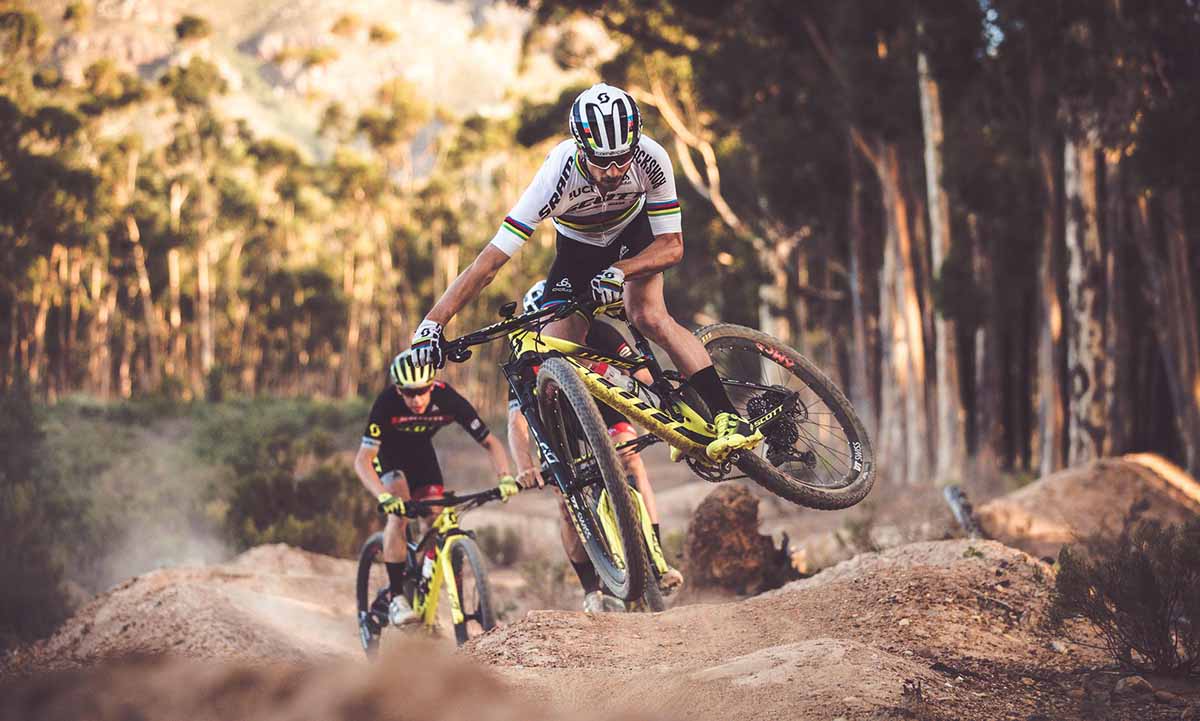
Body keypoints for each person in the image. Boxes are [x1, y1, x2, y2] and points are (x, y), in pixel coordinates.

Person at [407, 82, 762, 464]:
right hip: (577, 251)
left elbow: (672, 246)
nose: (612, 171)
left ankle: (727, 416)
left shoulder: (651, 158)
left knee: (647, 315)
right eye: (601, 160)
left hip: (635, 239)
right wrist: (432, 323)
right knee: (555, 344)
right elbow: (489, 262)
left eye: (621, 159)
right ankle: (612, 442)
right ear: (580, 148)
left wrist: (619, 272)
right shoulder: (554, 177)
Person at [507, 281, 683, 612]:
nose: (551, 330)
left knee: (631, 461)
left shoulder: (599, 333)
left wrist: (666, 424)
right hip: (560, 427)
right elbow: (516, 421)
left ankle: (657, 560)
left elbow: (643, 378)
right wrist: (524, 467)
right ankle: (592, 591)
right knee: (565, 501)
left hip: (606, 412)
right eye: (541, 325)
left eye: (557, 320)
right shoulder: (525, 356)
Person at [354, 349, 517, 641]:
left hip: (422, 457)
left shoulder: (447, 398)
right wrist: (384, 497)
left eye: (422, 391)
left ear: (433, 385)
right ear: (398, 389)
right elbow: (362, 460)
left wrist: (505, 478)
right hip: (390, 459)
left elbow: (490, 442)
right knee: (400, 514)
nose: (416, 400)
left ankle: (424, 591)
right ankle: (395, 597)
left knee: (435, 519)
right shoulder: (386, 403)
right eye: (408, 393)